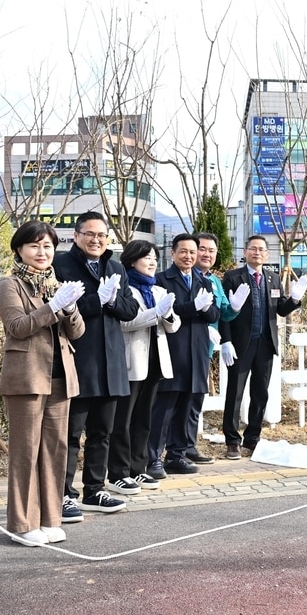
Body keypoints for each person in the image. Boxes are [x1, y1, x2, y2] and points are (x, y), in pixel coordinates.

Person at [0, 222, 86, 545]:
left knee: (55, 449)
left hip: (60, 377)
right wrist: (53, 307)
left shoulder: (55, 283)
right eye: (34, 246)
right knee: (25, 451)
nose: (42, 252)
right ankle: (21, 523)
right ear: (19, 249)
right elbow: (17, 326)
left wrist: (71, 309)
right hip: (27, 378)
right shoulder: (11, 285)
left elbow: (77, 332)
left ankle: (50, 519)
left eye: (47, 246)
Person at [53, 211, 140, 516]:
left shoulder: (115, 266)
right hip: (79, 360)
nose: (96, 240)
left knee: (102, 432)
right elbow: (62, 309)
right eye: (90, 234)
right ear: (76, 236)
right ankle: (63, 494)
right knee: (70, 434)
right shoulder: (61, 264)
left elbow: (130, 309)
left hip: (111, 362)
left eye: (102, 235)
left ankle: (95, 490)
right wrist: (96, 301)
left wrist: (113, 300)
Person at [220, 235, 305, 459]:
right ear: (245, 252)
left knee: (260, 393)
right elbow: (224, 313)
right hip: (241, 344)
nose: (257, 253)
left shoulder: (273, 278)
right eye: (253, 249)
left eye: (261, 249)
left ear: (267, 254)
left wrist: (295, 299)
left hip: (266, 344)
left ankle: (252, 438)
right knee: (235, 393)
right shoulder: (232, 277)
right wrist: (225, 340)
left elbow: (281, 310)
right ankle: (231, 440)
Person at [108, 241, 179, 491]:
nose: (152, 262)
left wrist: (168, 315)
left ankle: (139, 469)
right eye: (146, 257)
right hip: (132, 362)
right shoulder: (125, 288)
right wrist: (156, 314)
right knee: (123, 420)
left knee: (144, 419)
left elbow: (173, 325)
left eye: (154, 258)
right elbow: (126, 323)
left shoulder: (158, 290)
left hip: (156, 361)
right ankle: (119, 471)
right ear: (131, 261)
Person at [149, 233, 221, 474]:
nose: (189, 256)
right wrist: (194, 308)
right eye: (184, 251)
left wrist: (205, 309)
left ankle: (176, 455)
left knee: (187, 406)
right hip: (173, 350)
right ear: (173, 253)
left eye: (193, 252)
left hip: (197, 351)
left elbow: (213, 315)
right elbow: (169, 311)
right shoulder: (161, 280)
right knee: (165, 407)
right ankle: (153, 458)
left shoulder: (204, 282)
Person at [176, 231, 240, 464]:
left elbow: (224, 313)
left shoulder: (213, 281)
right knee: (177, 400)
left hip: (203, 348)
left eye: (211, 251)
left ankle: (189, 446)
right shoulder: (183, 277)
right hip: (182, 347)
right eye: (201, 249)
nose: (206, 254)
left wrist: (234, 307)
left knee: (195, 400)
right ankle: (173, 449)